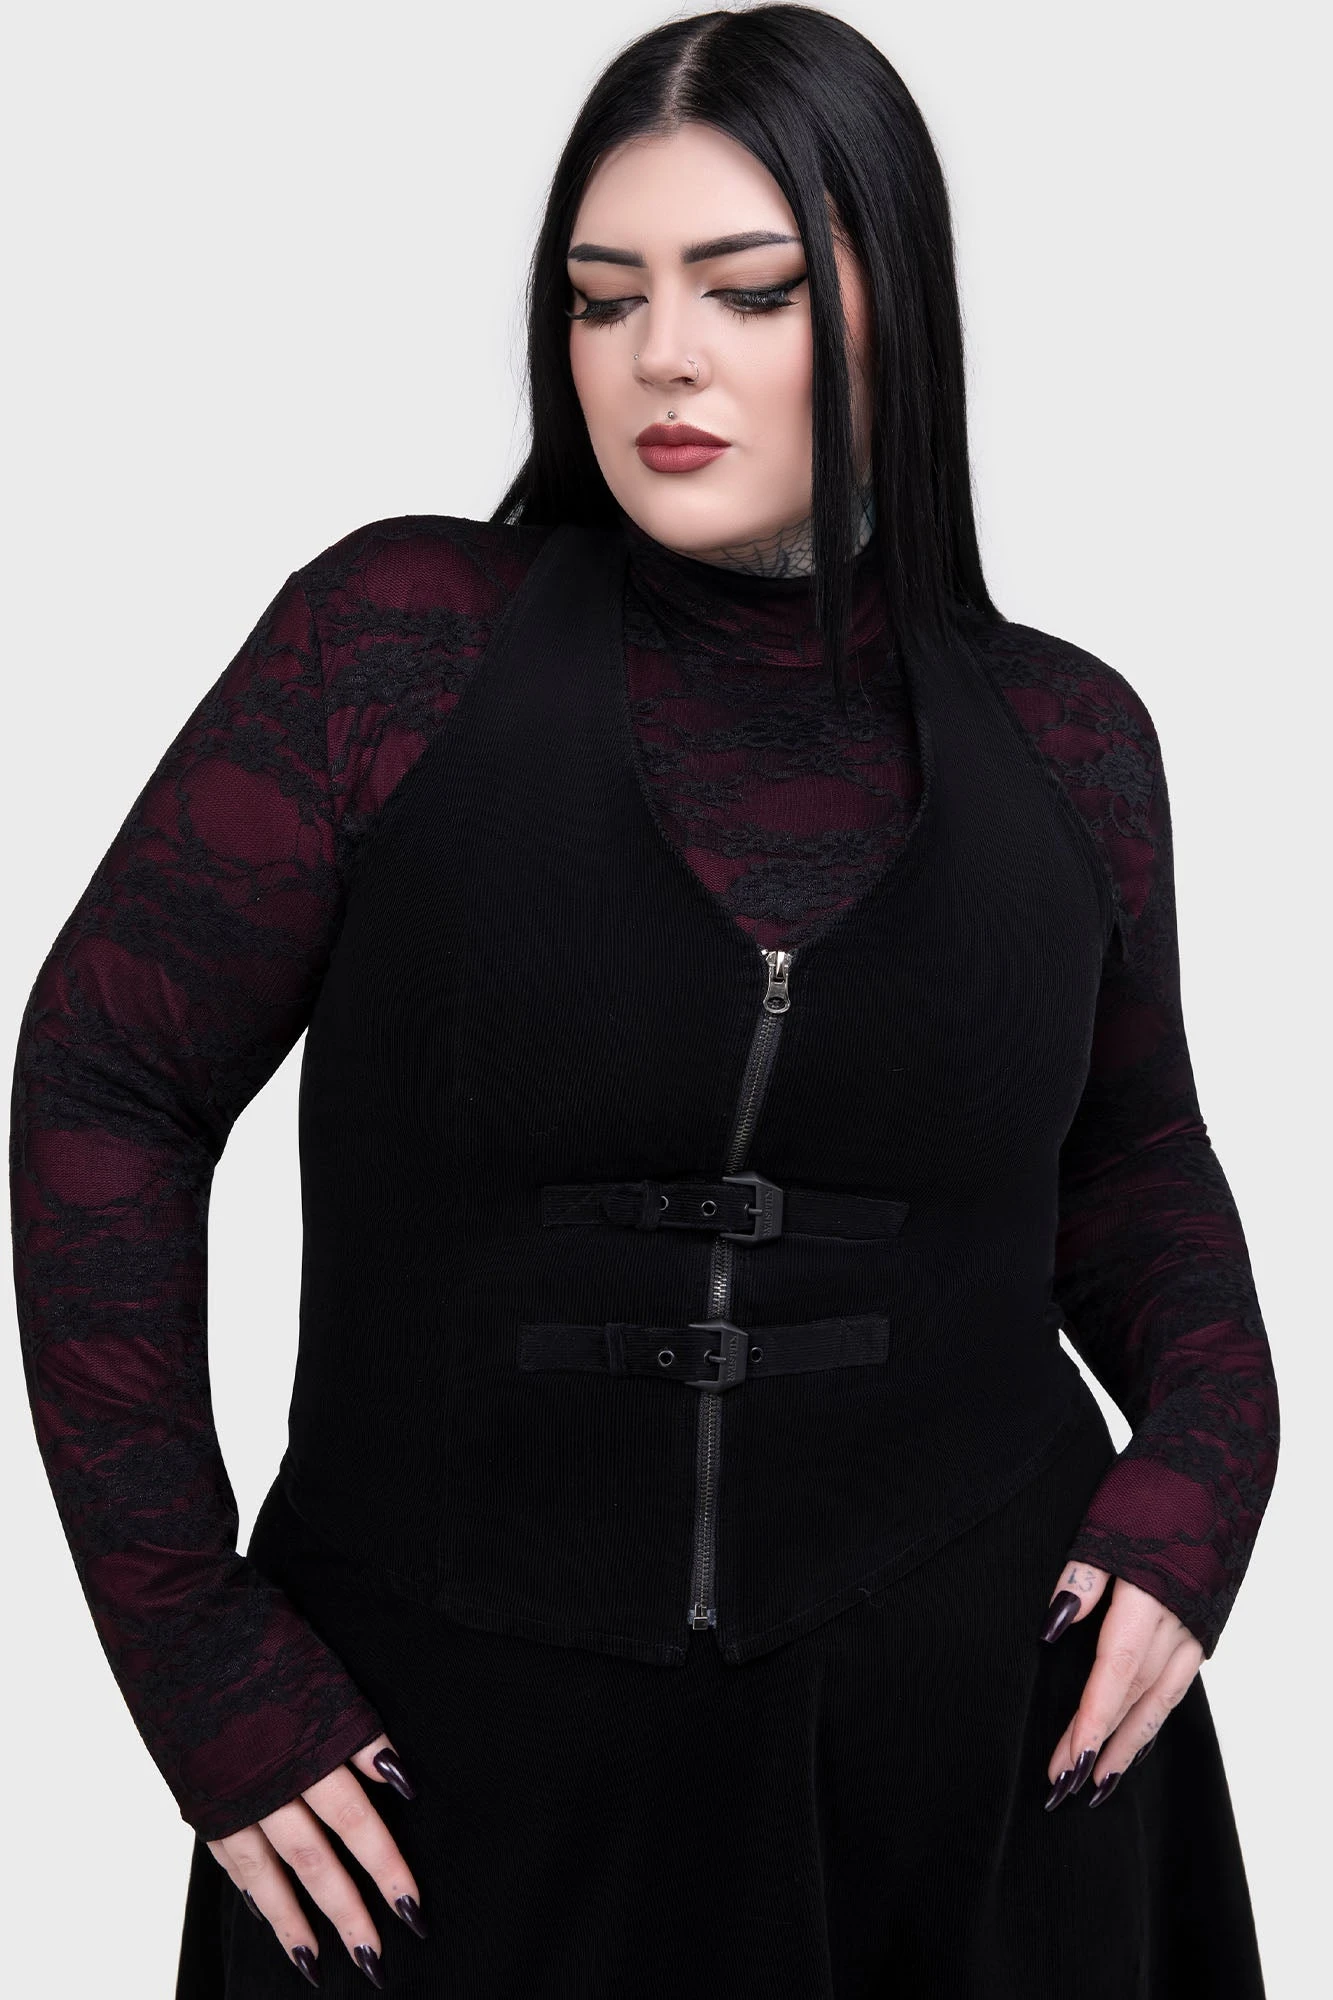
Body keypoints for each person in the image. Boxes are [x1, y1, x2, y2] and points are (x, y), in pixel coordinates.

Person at [9, 7, 1279, 1996]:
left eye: (747, 291)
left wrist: (1212, 1460)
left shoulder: (1072, 739)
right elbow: (105, 1080)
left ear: (896, 307)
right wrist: (192, 1650)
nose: (659, 356)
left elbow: (1133, 1173)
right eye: (605, 299)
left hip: (980, 1772)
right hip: (431, 1788)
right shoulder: (390, 648)